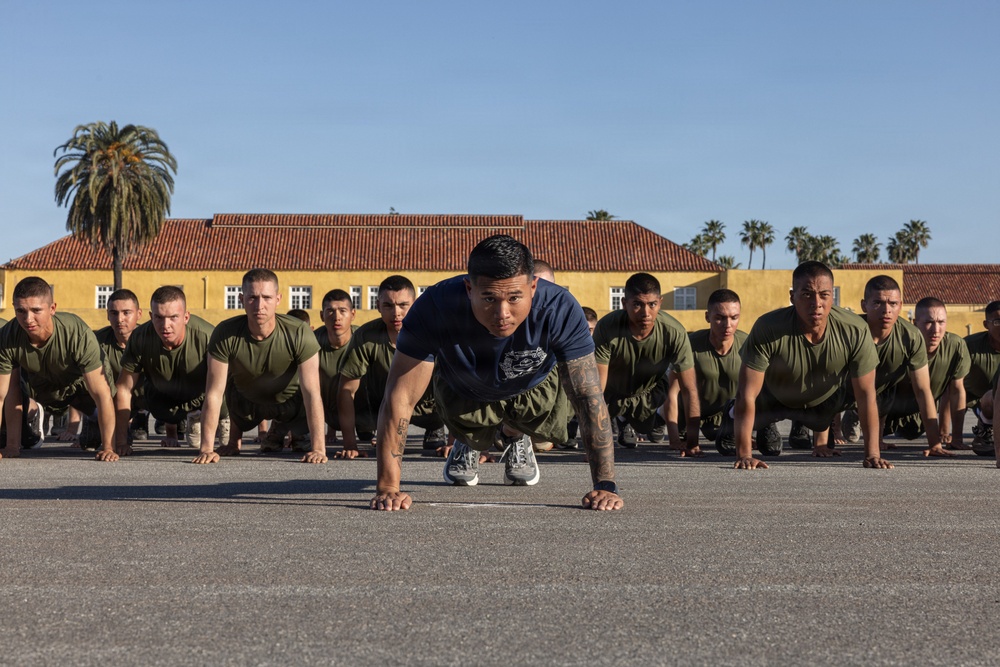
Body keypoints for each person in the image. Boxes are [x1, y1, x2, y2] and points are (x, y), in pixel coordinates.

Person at [371, 234, 622, 511]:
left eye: (515, 297)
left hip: (533, 387)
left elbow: (588, 396)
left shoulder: (560, 309)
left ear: (534, 287)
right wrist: (388, 488)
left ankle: (515, 434)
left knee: (550, 431)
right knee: (469, 428)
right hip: (464, 389)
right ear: (469, 288)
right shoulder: (434, 308)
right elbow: (400, 398)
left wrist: (605, 486)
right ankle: (468, 443)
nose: (502, 313)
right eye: (489, 298)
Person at [726, 261, 892, 470]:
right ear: (792, 297)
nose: (816, 303)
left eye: (824, 295)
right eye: (806, 294)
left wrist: (872, 454)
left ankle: (810, 425)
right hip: (774, 398)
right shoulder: (768, 327)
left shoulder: (855, 329)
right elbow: (746, 394)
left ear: (833, 296)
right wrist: (744, 455)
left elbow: (866, 395)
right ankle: (735, 416)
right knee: (727, 442)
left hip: (822, 402)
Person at [192, 269, 327, 464]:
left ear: (278, 299)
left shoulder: (299, 332)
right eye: (252, 297)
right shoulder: (225, 332)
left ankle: (287, 430)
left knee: (307, 392)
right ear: (241, 299)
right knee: (229, 383)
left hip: (289, 402)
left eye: (267, 297)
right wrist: (206, 448)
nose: (259, 305)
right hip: (246, 402)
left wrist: (319, 449)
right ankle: (234, 441)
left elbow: (312, 392)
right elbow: (214, 393)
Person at [0, 276, 118, 461]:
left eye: (36, 310)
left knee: (109, 424)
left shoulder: (76, 333)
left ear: (52, 308)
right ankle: (35, 415)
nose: (28, 319)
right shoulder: (8, 335)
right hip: (43, 387)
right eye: (20, 311)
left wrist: (109, 447)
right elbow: (7, 393)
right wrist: (12, 446)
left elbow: (101, 393)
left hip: (81, 389)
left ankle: (94, 422)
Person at [835, 276, 947, 456]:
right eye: (878, 303)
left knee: (896, 405)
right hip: (840, 388)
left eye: (893, 303)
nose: (887, 310)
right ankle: (803, 426)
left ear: (900, 305)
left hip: (880, 390)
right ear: (864, 305)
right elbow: (826, 380)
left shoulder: (911, 336)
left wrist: (935, 444)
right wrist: (821, 443)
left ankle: (865, 423)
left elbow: (923, 390)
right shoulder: (849, 331)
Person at [336, 275, 446, 459]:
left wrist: (456, 443)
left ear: (416, 304)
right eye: (388, 306)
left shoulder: (435, 333)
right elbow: (346, 390)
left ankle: (435, 428)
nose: (396, 313)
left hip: (432, 410)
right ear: (378, 306)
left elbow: (458, 385)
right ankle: (378, 428)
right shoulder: (365, 336)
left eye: (403, 305)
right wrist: (350, 445)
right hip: (386, 408)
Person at [593, 272, 700, 453]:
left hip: (649, 391)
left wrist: (693, 443)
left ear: (660, 302)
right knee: (580, 395)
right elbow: (597, 388)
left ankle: (656, 417)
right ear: (624, 304)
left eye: (652, 304)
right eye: (637, 304)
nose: (645, 313)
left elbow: (689, 390)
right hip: (612, 391)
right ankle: (619, 418)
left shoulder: (675, 332)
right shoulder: (606, 327)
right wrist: (595, 446)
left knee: (645, 427)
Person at [114, 286, 228, 455]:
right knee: (136, 392)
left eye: (173, 317)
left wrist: (206, 449)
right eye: (159, 317)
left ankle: (215, 419)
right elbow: (124, 388)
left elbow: (215, 391)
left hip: (202, 394)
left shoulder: (208, 336)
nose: (165, 326)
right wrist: (120, 442)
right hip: (163, 396)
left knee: (227, 394)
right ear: (151, 317)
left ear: (186, 317)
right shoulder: (140, 337)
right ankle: (186, 417)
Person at [666, 289, 748, 452]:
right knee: (652, 420)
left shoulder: (747, 344)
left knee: (718, 437)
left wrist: (746, 436)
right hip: (687, 413)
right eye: (719, 318)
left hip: (722, 416)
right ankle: (642, 422)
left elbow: (757, 393)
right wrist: (674, 439)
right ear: (707, 317)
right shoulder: (690, 344)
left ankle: (726, 429)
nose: (728, 325)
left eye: (734, 318)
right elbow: (671, 393)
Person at [885, 297, 970, 452]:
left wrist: (955, 437)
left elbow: (956, 391)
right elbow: (877, 388)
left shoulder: (956, 346)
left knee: (912, 432)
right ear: (915, 323)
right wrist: (875, 442)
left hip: (919, 413)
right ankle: (855, 415)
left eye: (941, 322)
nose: (935, 330)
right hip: (888, 410)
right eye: (929, 322)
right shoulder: (900, 344)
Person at [94, 289, 149, 441]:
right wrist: (72, 430)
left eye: (126, 312)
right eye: (114, 313)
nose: (120, 319)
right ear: (107, 315)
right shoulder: (97, 341)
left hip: (149, 395)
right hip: (114, 396)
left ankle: (143, 417)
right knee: (90, 441)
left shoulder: (152, 337)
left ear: (139, 314)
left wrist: (171, 435)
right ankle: (94, 421)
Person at [952, 301, 1000, 455]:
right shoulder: (970, 346)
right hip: (980, 402)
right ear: (986, 324)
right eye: (998, 321)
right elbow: (953, 386)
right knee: (990, 396)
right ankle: (985, 432)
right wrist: (955, 438)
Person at [315, 289, 357, 446]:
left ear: (353, 314)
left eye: (342, 311)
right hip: (324, 407)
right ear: (322, 315)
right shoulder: (312, 341)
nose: (337, 317)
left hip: (359, 408)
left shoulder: (364, 340)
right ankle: (291, 431)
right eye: (330, 311)